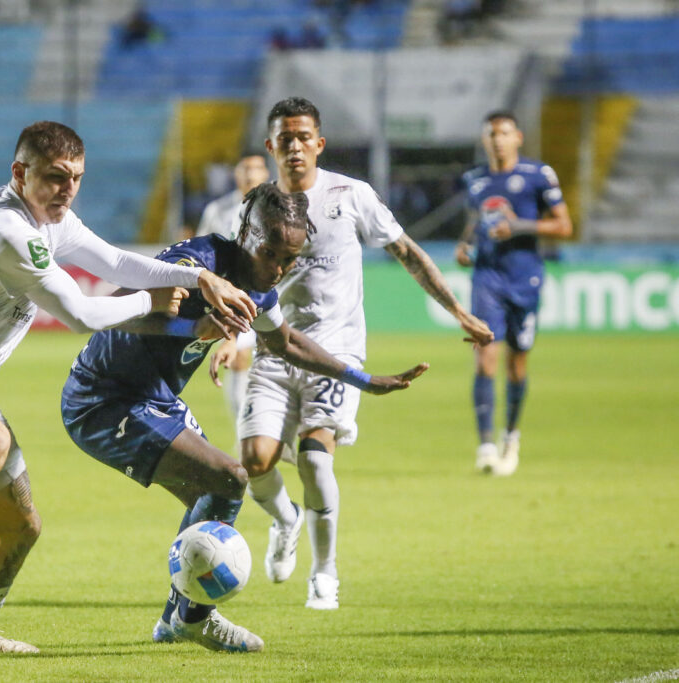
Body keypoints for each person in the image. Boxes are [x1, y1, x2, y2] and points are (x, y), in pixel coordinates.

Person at [0, 121, 256, 655]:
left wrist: (198, 280)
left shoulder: (53, 218)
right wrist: (150, 302)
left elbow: (118, 262)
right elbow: (79, 312)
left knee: (21, 530)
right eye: (56, 177)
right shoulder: (5, 230)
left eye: (76, 178)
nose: (68, 189)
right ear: (19, 173)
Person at [61, 183, 429, 653]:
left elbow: (286, 343)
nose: (276, 268)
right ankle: (197, 618)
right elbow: (111, 313)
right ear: (244, 233)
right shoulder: (194, 264)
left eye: (288, 258)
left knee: (208, 493)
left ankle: (177, 617)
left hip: (155, 399)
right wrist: (189, 327)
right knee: (229, 478)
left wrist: (362, 379)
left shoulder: (258, 288)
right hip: (102, 399)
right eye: (269, 252)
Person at [214, 97, 493, 611]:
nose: (295, 146)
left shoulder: (351, 195)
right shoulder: (253, 206)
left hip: (336, 351)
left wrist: (459, 310)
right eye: (285, 138)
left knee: (317, 463)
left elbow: (406, 252)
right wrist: (232, 334)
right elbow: (239, 281)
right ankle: (286, 520)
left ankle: (325, 573)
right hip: (277, 352)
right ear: (270, 145)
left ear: (319, 144)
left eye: (304, 137)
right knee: (253, 463)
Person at [455, 110, 572, 476]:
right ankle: (486, 446)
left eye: (504, 133)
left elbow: (564, 226)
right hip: (486, 277)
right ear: (483, 140)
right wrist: (464, 245)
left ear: (518, 137)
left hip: (524, 278)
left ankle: (511, 437)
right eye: (491, 134)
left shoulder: (538, 176)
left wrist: (518, 226)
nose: (497, 139)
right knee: (484, 357)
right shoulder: (475, 180)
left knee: (516, 364)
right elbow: (474, 223)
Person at [195, 154, 270, 429]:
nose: (251, 175)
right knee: (238, 359)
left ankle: (260, 430)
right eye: (245, 169)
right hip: (232, 296)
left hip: (269, 295)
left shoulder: (275, 206)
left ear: (265, 173)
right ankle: (247, 430)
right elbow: (201, 251)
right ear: (236, 174)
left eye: (256, 169)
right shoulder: (218, 210)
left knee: (266, 364)